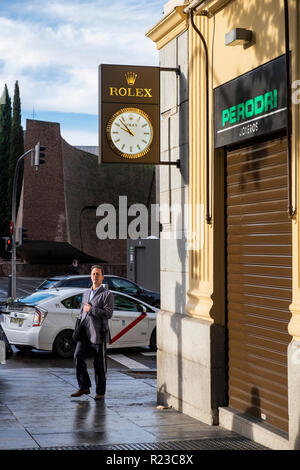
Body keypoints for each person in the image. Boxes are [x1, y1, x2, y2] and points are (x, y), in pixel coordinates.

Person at [71, 265, 114, 400]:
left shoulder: (107, 294)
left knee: (99, 364)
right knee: (78, 356)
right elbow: (82, 310)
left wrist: (92, 310)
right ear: (90, 276)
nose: (95, 276)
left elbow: (108, 314)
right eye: (93, 274)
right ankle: (84, 386)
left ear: (102, 277)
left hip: (98, 333)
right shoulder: (85, 292)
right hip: (84, 331)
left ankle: (100, 392)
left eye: (98, 274)